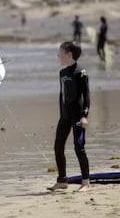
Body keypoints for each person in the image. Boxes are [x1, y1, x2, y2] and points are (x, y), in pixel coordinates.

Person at [48, 41, 91, 192]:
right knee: (58, 146)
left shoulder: (81, 72)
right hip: (65, 116)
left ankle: (86, 183)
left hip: (78, 116)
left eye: (60, 53)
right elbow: (63, 96)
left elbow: (86, 95)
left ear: (69, 55)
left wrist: (84, 115)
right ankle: (62, 180)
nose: (58, 55)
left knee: (79, 147)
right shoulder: (62, 73)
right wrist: (61, 114)